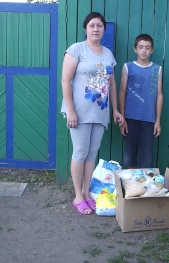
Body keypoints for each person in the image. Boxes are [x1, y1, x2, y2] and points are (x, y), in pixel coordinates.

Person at [61, 12, 123, 215]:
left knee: (91, 155)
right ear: (86, 28)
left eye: (99, 26)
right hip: (79, 112)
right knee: (80, 153)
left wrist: (116, 110)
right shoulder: (76, 49)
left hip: (100, 112)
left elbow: (112, 84)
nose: (96, 29)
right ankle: (78, 195)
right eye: (92, 25)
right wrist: (70, 110)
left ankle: (87, 193)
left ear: (104, 29)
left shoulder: (108, 54)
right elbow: (65, 81)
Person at [119, 34, 163, 169]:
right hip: (130, 119)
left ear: (152, 50)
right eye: (141, 47)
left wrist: (157, 121)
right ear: (135, 49)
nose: (144, 50)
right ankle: (129, 187)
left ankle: (145, 188)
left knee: (146, 158)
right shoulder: (128, 67)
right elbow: (122, 92)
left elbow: (159, 95)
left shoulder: (157, 69)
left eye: (147, 48)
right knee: (129, 156)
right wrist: (122, 119)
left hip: (149, 120)